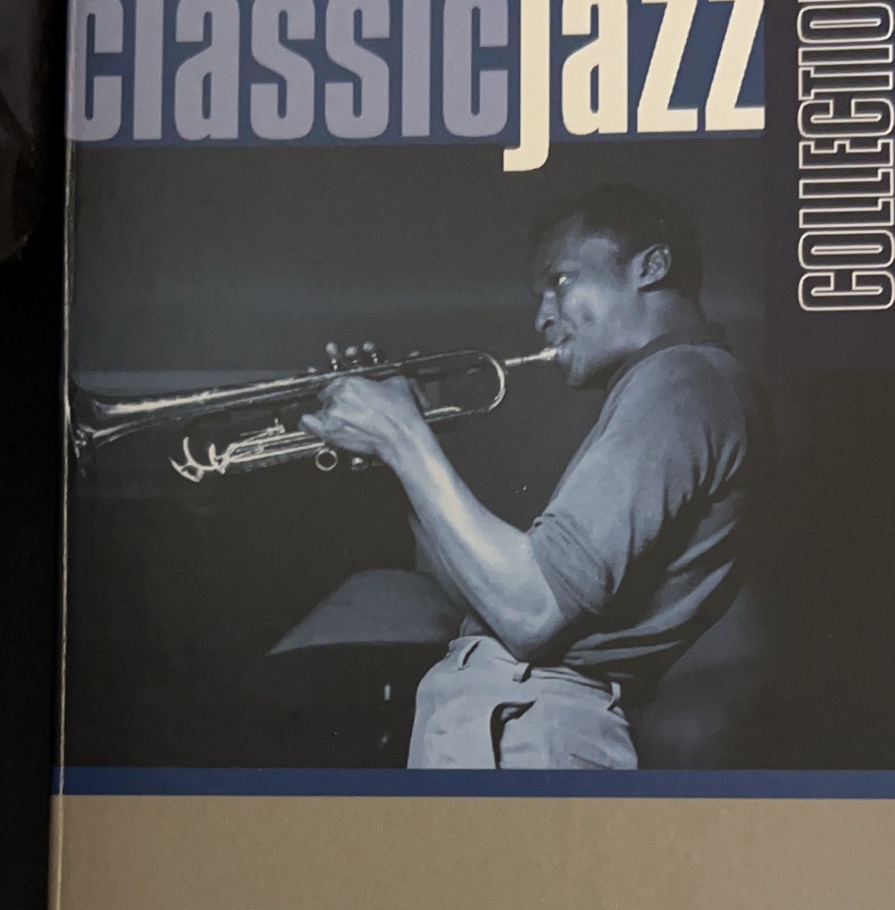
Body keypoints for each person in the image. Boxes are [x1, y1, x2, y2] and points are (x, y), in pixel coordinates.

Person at [301, 183, 769, 770]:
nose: (543, 317)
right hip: (521, 717)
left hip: (528, 717)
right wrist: (401, 457)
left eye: (562, 281)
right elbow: (485, 598)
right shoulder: (679, 388)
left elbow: (532, 615)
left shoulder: (682, 382)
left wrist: (403, 436)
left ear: (651, 267)